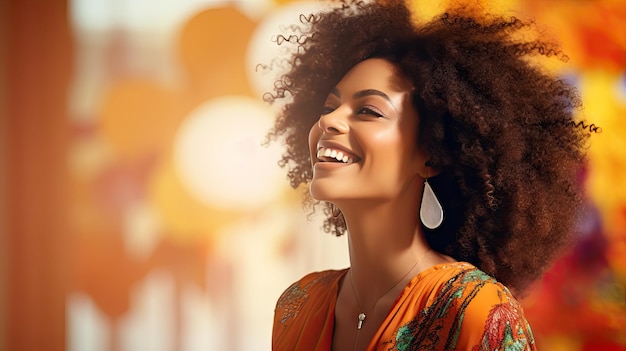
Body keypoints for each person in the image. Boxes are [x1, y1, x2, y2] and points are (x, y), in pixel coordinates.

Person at [266, 0, 593, 350]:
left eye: (368, 110)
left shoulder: (476, 310)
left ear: (431, 154)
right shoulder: (297, 306)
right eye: (329, 107)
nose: (328, 121)